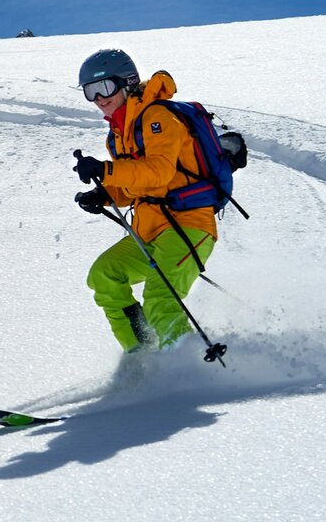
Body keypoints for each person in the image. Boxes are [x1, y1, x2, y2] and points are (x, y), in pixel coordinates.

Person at [71, 49, 217, 352]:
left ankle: (186, 370)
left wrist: (106, 169)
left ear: (127, 82)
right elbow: (134, 187)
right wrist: (104, 195)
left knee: (160, 296)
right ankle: (142, 354)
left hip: (188, 224)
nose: (99, 98)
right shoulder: (117, 135)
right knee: (104, 275)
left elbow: (159, 173)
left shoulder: (157, 117)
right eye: (90, 91)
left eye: (105, 88)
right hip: (150, 230)